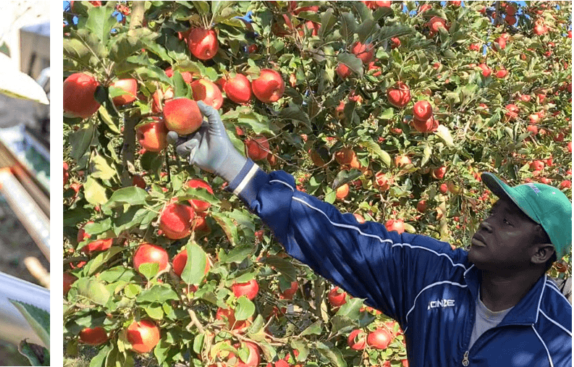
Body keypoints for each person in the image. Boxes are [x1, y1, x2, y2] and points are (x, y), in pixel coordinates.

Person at [169, 101, 572, 367]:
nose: (486, 222)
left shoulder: (560, 339)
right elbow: (339, 240)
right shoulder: (430, 274)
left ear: (540, 253)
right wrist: (235, 168)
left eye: (507, 222)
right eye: (492, 211)